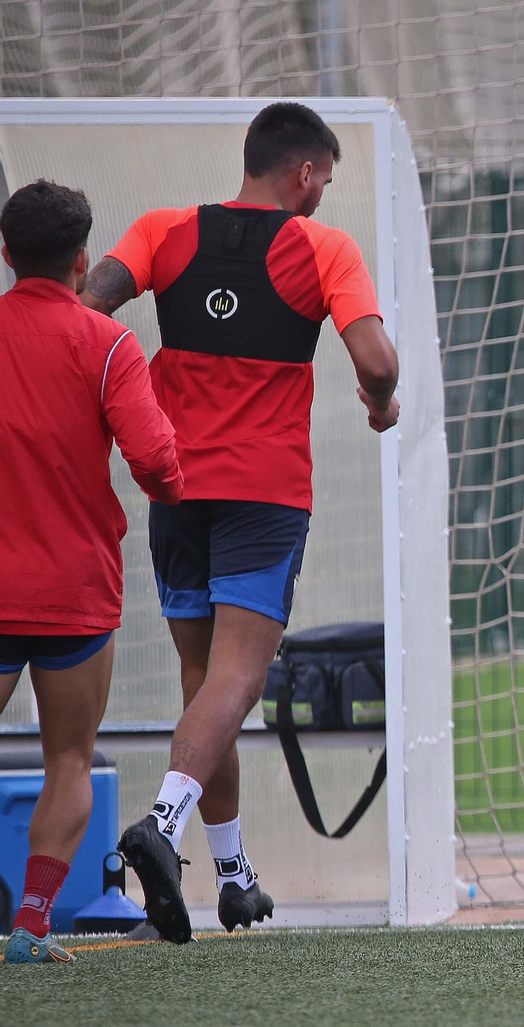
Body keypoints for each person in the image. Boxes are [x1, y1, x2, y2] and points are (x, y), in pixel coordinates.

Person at [80, 102, 400, 944]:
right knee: (238, 682)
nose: (325, 193)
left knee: (204, 686)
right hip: (262, 494)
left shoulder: (162, 228)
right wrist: (381, 402)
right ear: (302, 172)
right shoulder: (323, 247)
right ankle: (161, 825)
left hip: (175, 490)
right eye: (325, 178)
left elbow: (87, 311)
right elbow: (375, 358)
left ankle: (232, 876)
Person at [0, 180, 184, 963]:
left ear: (6, 256)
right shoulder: (109, 345)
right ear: (82, 260)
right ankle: (32, 927)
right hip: (74, 589)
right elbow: (155, 460)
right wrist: (171, 489)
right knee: (69, 760)